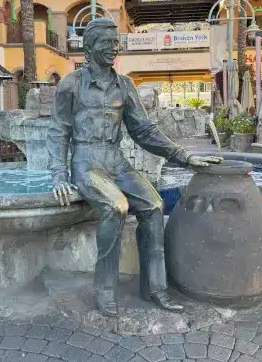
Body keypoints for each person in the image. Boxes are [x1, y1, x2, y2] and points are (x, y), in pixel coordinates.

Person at [47, 17, 222, 317]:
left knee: (154, 205)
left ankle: (155, 288)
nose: (114, 48)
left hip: (115, 159)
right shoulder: (70, 85)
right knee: (116, 207)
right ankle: (104, 290)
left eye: (116, 43)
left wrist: (184, 156)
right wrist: (59, 176)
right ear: (88, 48)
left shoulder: (124, 85)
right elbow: (58, 130)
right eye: (106, 43)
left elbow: (144, 131)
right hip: (86, 162)